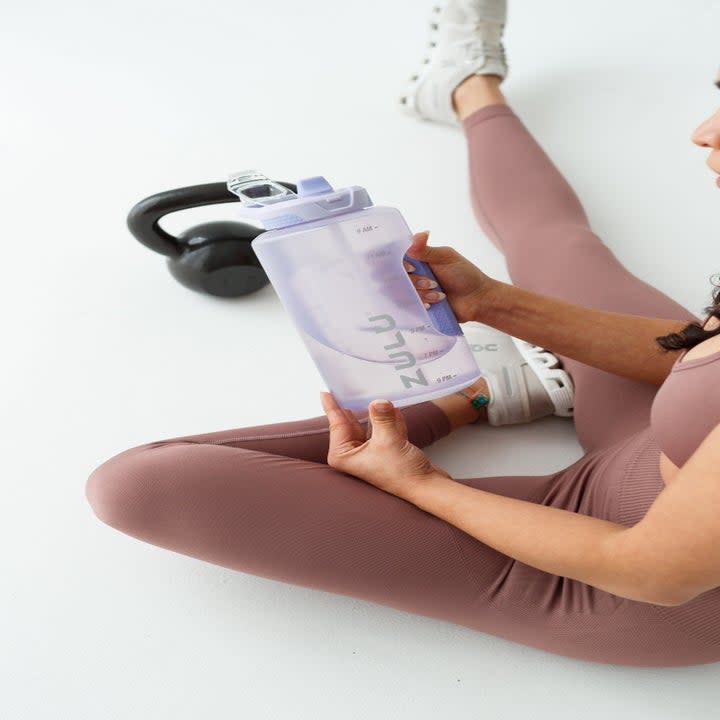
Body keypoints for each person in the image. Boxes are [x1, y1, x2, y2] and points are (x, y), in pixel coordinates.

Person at [85, 0, 720, 666]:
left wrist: (420, 480)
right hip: (657, 446)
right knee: (557, 247)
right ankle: (466, 81)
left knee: (136, 484)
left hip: (615, 580)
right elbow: (695, 354)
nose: (702, 134)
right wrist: (495, 303)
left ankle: (470, 400)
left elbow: (653, 571)